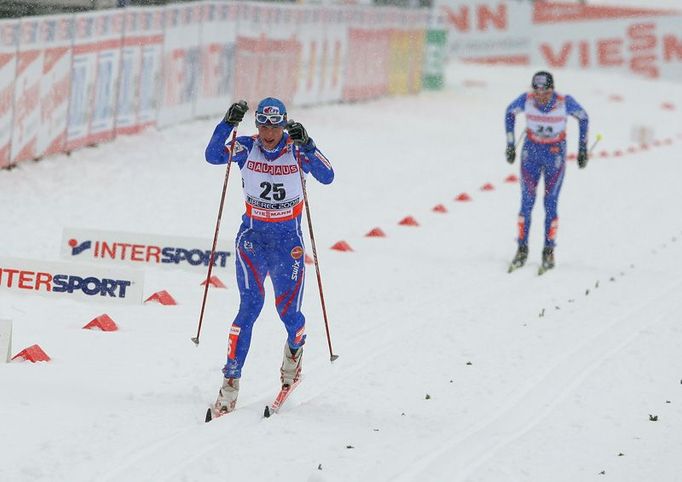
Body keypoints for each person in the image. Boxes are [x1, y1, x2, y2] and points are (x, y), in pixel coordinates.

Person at [204, 97, 334, 417]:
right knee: (248, 308)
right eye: (262, 124)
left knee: (288, 313)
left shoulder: (296, 149)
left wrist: (308, 143)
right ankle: (229, 383)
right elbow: (212, 156)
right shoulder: (246, 147)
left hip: (288, 243)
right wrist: (227, 124)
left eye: (275, 126)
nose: (268, 133)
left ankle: (293, 360)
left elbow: (328, 174)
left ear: (284, 124)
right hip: (252, 240)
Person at [504, 71, 589, 274]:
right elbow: (509, 113)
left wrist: (583, 149)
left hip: (554, 155)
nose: (540, 96)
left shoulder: (564, 102)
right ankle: (522, 249)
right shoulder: (526, 100)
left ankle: (548, 250)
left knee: (550, 204)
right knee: (526, 203)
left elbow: (583, 117)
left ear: (552, 90)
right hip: (531, 154)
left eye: (545, 92)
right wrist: (510, 144)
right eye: (537, 92)